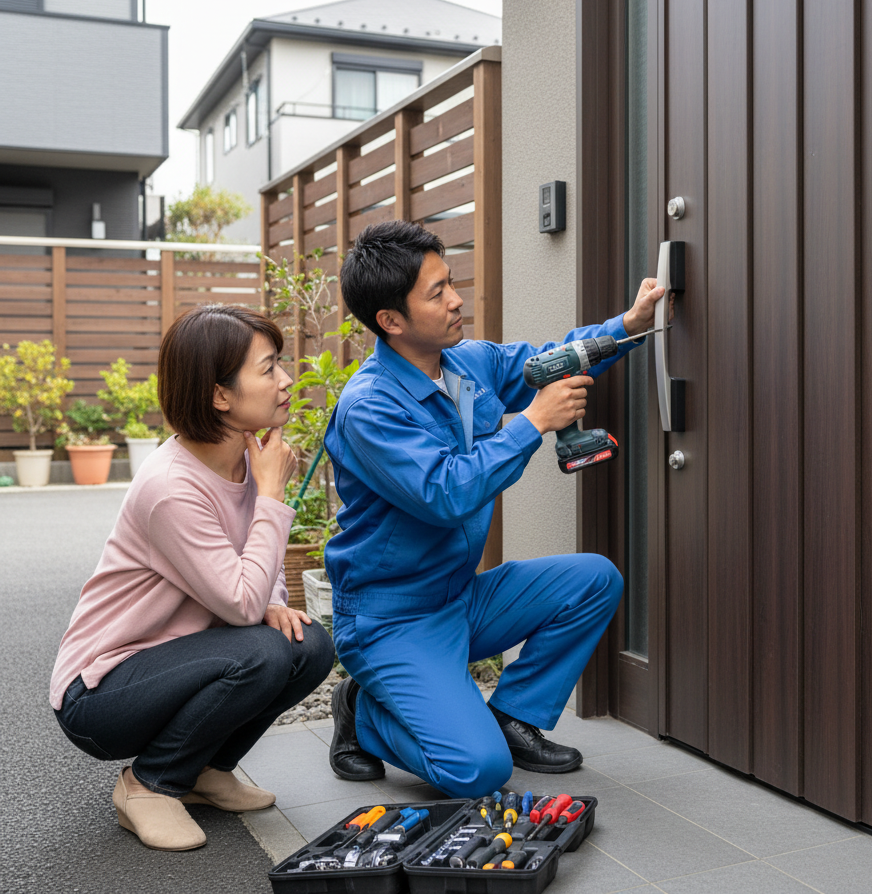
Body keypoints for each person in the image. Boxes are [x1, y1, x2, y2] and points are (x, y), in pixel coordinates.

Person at [324, 220, 664, 797]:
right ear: (391, 321)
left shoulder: (466, 362)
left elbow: (548, 362)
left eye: (450, 282)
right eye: (437, 293)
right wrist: (534, 422)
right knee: (476, 772)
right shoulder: (370, 407)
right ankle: (364, 713)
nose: (457, 300)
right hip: (392, 619)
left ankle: (511, 716)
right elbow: (444, 492)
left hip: (459, 597)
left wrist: (627, 327)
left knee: (592, 580)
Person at [49, 305, 335, 852]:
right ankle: (148, 784)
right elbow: (239, 604)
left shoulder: (248, 458)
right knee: (265, 652)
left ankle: (205, 770)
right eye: (268, 368)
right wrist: (272, 498)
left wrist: (275, 599)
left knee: (308, 644)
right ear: (220, 395)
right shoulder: (171, 487)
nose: (286, 381)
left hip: (180, 657)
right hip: (102, 690)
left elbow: (256, 574)